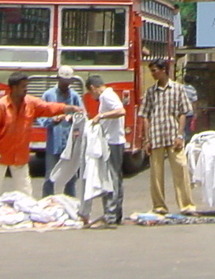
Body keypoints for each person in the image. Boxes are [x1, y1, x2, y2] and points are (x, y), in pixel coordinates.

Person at [0, 71, 69, 201]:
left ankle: (28, 213)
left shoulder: (30, 103)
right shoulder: (1, 105)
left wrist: (66, 108)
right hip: (1, 153)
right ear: (14, 88)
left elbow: (47, 107)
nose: (26, 89)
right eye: (23, 86)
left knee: (25, 190)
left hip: (20, 154)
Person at [137, 59, 195, 215]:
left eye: (155, 70)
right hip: (156, 135)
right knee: (156, 173)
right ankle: (159, 206)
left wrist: (180, 134)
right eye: (151, 71)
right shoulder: (150, 92)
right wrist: (146, 138)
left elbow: (183, 112)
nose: (153, 74)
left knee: (180, 168)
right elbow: (145, 115)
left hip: (173, 134)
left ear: (164, 70)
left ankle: (186, 205)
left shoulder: (177, 89)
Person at [84, 75, 126, 225]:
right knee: (115, 177)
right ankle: (116, 213)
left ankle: (111, 214)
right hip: (113, 141)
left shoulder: (107, 96)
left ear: (93, 88)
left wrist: (101, 116)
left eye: (91, 93)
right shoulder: (107, 96)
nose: (92, 97)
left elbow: (121, 111)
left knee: (110, 177)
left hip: (112, 142)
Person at [39, 66, 85, 198]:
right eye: (63, 80)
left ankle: (70, 201)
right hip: (54, 140)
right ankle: (47, 201)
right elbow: (41, 115)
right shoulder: (49, 95)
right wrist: (53, 121)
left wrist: (73, 118)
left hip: (70, 141)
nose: (65, 84)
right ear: (58, 78)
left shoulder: (74, 96)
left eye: (68, 81)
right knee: (50, 175)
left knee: (71, 175)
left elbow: (82, 114)